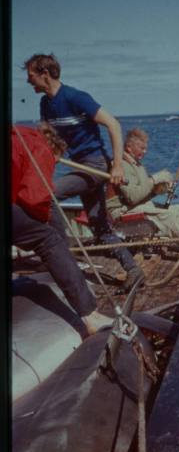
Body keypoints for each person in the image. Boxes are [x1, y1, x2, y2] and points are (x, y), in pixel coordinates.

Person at [23, 53, 143, 291]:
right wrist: (52, 153)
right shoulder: (45, 104)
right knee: (101, 230)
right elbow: (49, 139)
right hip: (80, 164)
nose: (29, 82)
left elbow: (114, 125)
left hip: (96, 165)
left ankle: (62, 253)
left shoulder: (76, 97)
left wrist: (117, 164)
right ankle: (134, 271)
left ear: (45, 74)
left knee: (47, 196)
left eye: (31, 76)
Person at [11, 123, 114, 336]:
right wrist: (43, 221)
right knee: (48, 239)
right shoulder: (40, 146)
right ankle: (89, 314)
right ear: (55, 149)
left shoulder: (19, 134)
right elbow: (35, 196)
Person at [106, 128, 179, 254]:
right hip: (121, 212)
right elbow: (132, 197)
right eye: (141, 148)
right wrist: (155, 179)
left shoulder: (137, 165)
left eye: (145, 148)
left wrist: (161, 189)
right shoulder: (121, 165)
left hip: (135, 206)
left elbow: (144, 193)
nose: (145, 152)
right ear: (129, 147)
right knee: (170, 216)